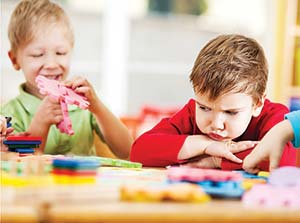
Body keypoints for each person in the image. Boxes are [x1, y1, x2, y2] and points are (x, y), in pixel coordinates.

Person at [130, 34, 296, 170]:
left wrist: (216, 160)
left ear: (257, 104)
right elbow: (140, 150)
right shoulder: (191, 113)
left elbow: (282, 161)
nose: (216, 124)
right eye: (204, 108)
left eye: (231, 112)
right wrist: (205, 145)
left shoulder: (274, 116)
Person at [1, 0, 132, 158]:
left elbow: (128, 150)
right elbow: (19, 166)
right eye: (38, 54)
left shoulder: (83, 105)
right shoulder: (10, 115)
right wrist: (40, 124)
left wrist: (97, 107)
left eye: (61, 53)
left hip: (86, 182)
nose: (51, 64)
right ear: (15, 59)